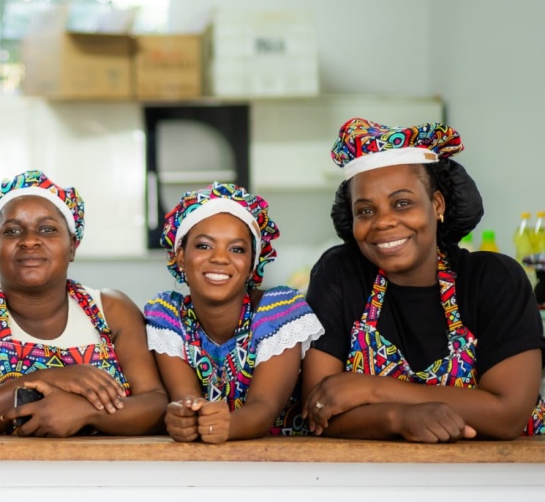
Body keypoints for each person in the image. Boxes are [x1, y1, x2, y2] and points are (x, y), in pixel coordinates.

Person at [302, 118, 545, 442]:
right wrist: (398, 417)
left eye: (402, 203)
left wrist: (373, 389)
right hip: (368, 480)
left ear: (437, 204)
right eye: (365, 211)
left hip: (503, 480)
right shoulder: (340, 274)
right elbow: (320, 410)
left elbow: (507, 414)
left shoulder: (493, 279)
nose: (383, 222)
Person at [0, 170, 167, 437]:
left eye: (47, 229)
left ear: (73, 245)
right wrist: (48, 378)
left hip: (105, 475)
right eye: (12, 231)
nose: (29, 241)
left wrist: (87, 411)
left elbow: (155, 404)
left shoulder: (111, 309)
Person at [144, 183, 324, 443]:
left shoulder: (279, 312)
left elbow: (263, 409)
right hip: (203, 466)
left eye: (237, 249)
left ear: (253, 262)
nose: (220, 258)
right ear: (180, 256)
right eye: (204, 246)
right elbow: (186, 399)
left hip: (285, 466)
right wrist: (184, 417)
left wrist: (224, 424)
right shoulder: (169, 317)